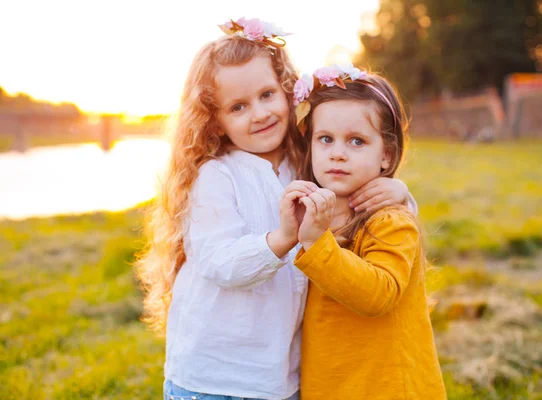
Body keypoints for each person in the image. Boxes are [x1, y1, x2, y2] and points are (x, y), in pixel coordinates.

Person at [135, 18, 418, 400]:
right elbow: (220, 261)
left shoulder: (309, 163)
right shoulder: (217, 177)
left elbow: (360, 206)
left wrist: (398, 191)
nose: (259, 113)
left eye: (267, 94)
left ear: (287, 91)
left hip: (278, 374)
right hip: (213, 376)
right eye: (238, 106)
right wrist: (282, 239)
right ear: (215, 121)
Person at [282, 66, 446, 399]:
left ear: (386, 155)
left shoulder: (390, 220)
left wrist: (315, 242)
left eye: (357, 141)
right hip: (330, 383)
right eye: (325, 139)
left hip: (387, 386)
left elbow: (379, 294)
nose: (338, 152)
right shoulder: (311, 210)